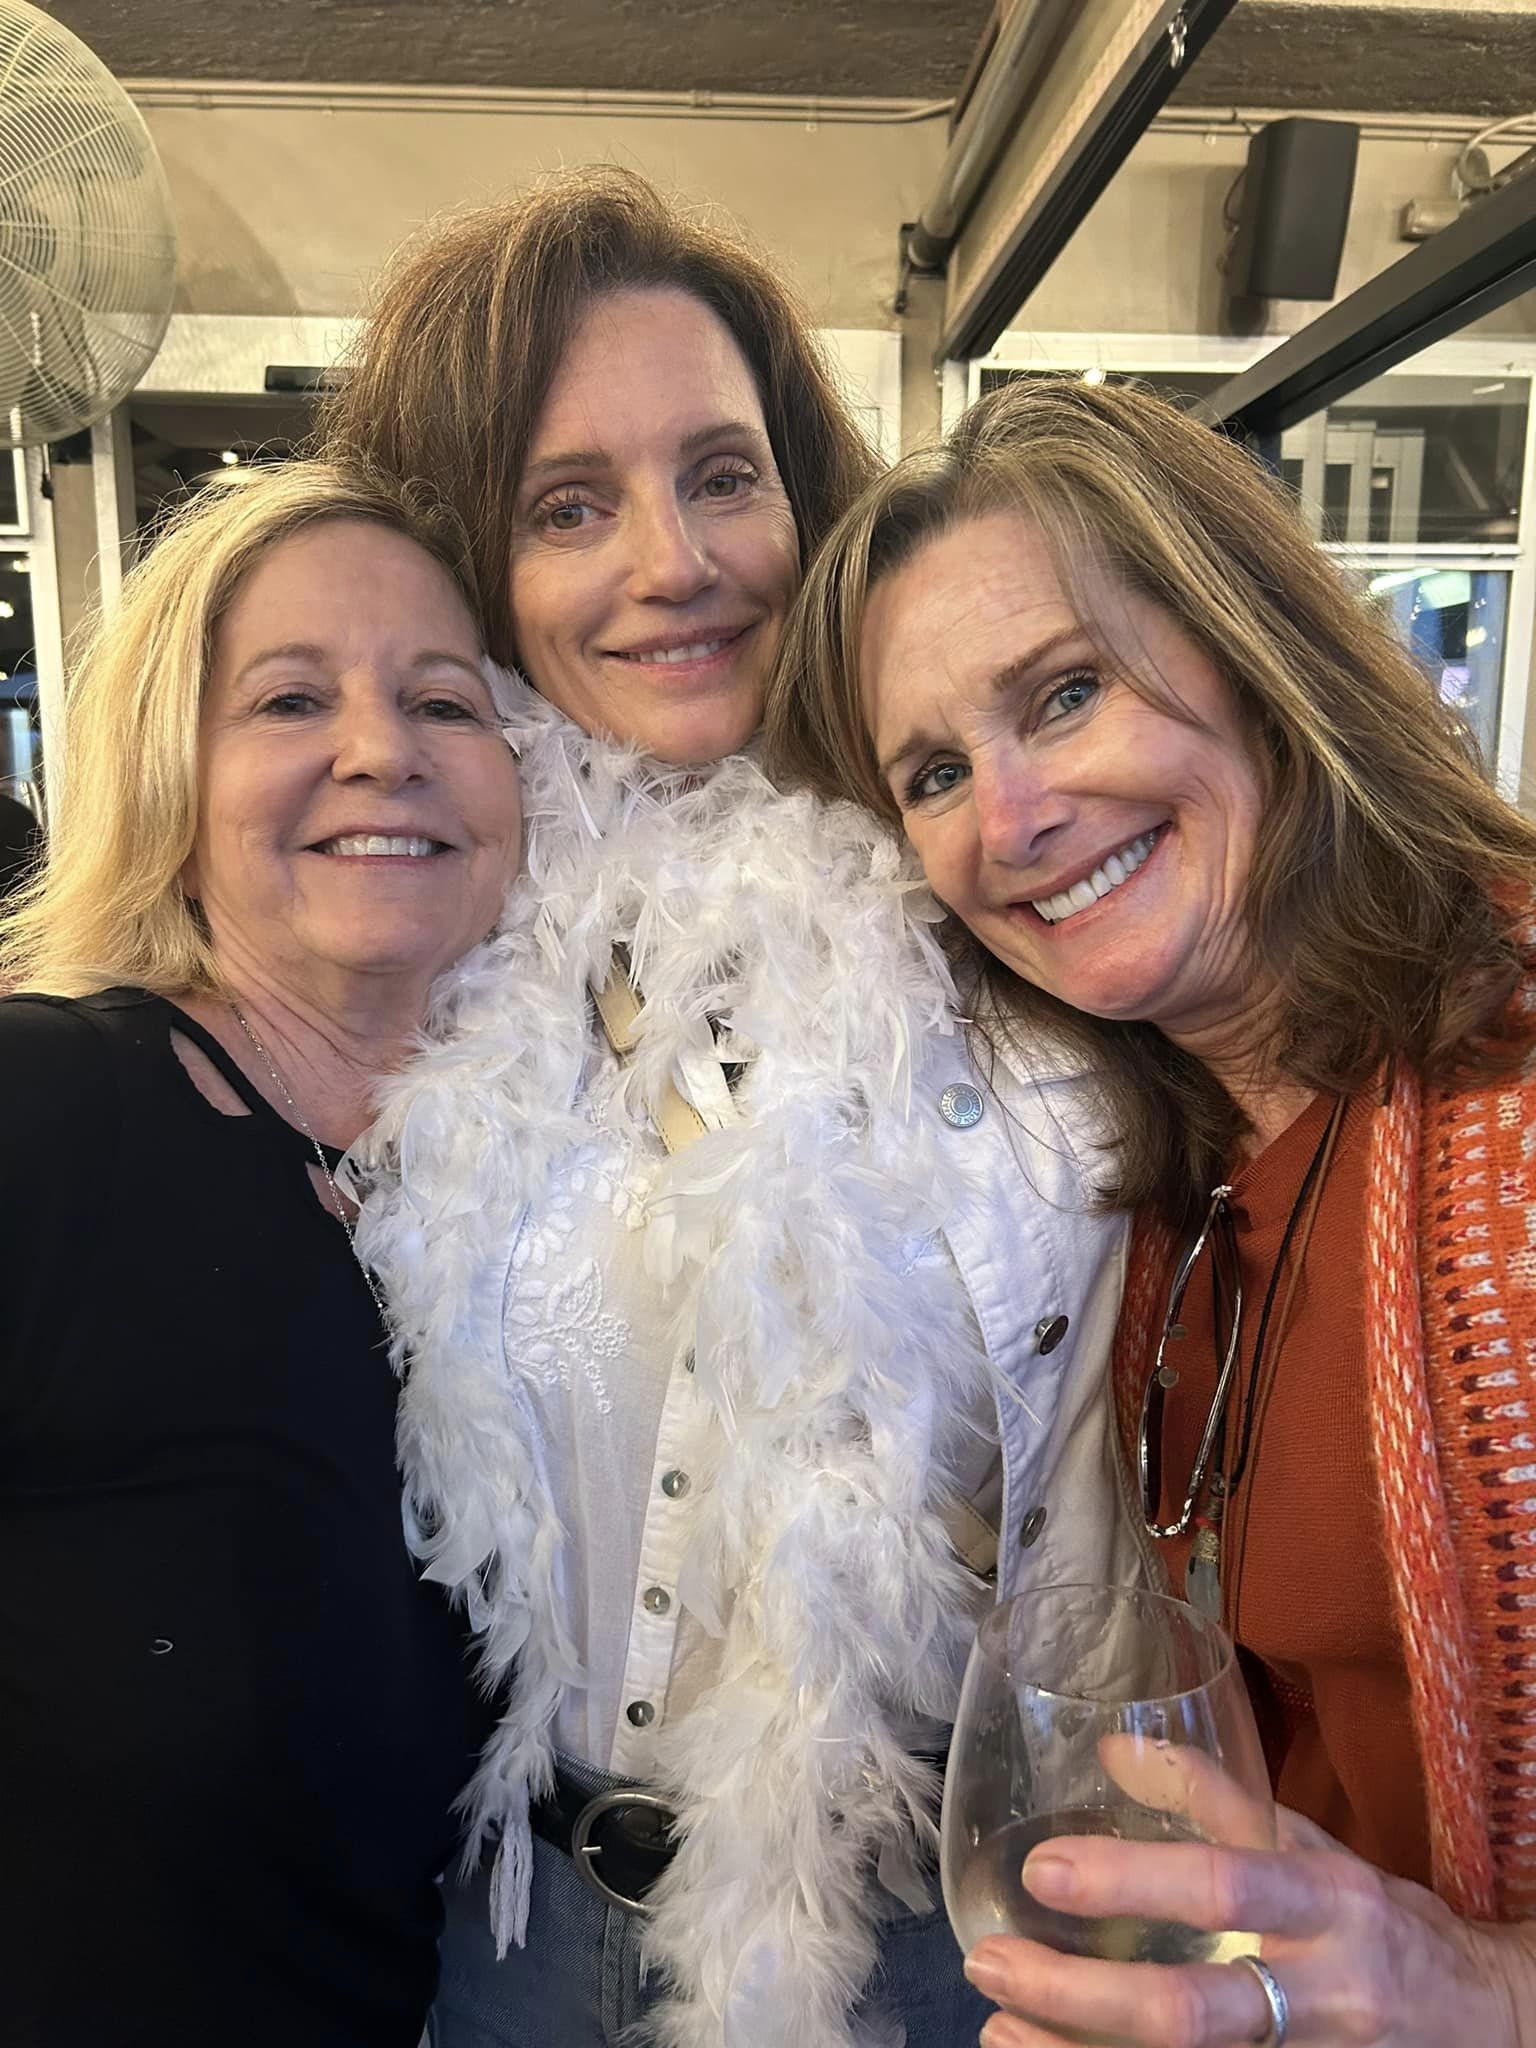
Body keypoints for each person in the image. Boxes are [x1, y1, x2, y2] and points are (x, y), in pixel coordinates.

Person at [319, 166, 1145, 2048]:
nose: (672, 562)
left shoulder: (991, 880)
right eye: (568, 507)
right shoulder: (422, 933)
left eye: (721, 475)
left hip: (917, 1936)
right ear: (473, 566)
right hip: (509, 1931)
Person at [765, 373, 1536, 2047]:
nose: (1013, 820)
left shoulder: (1510, 1110)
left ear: (1258, 655)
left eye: (1066, 693)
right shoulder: (1151, 1178)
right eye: (934, 772)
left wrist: (1476, 1986)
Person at [0, 463, 523, 2047]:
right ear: (172, 779)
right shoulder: (47, 1110)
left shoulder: (521, 1197)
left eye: (444, 702)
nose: (382, 751)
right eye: (291, 700)